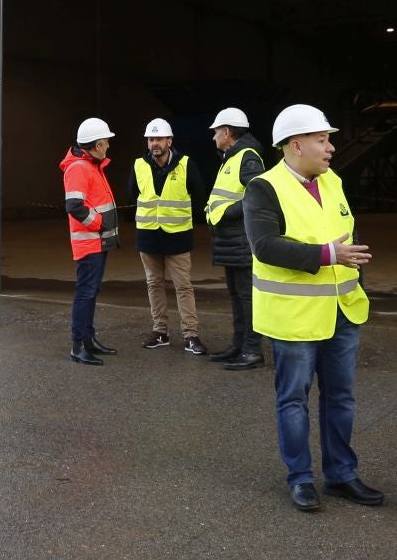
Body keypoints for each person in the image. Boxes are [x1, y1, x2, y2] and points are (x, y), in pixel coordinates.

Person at [245, 104, 384, 512]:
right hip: (295, 318)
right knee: (294, 399)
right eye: (322, 140)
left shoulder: (333, 181)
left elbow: (348, 235)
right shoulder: (263, 188)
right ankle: (301, 478)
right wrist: (328, 255)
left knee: (341, 398)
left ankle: (341, 474)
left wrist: (353, 270)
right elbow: (265, 246)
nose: (331, 147)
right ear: (296, 144)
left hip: (342, 310)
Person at [133, 118, 207, 354]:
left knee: (183, 287)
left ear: (169, 141)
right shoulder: (139, 165)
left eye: (159, 139)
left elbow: (199, 195)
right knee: (153, 284)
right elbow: (132, 193)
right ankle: (160, 332)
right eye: (151, 139)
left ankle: (191, 335)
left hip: (178, 237)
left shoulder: (186, 165)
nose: (154, 143)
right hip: (148, 236)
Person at [205, 107, 266, 370]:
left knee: (246, 296)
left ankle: (252, 350)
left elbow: (257, 197)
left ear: (227, 132)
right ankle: (238, 345)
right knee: (237, 295)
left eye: (216, 131)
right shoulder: (231, 158)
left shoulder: (247, 157)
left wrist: (224, 214)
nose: (214, 137)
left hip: (241, 240)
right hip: (230, 240)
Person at [61, 116, 120, 365]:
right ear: (97, 145)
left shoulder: (91, 165)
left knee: (91, 291)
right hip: (89, 242)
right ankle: (78, 346)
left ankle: (88, 339)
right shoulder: (79, 168)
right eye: (106, 141)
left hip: (97, 241)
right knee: (85, 293)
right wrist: (99, 224)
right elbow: (74, 206)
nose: (108, 145)